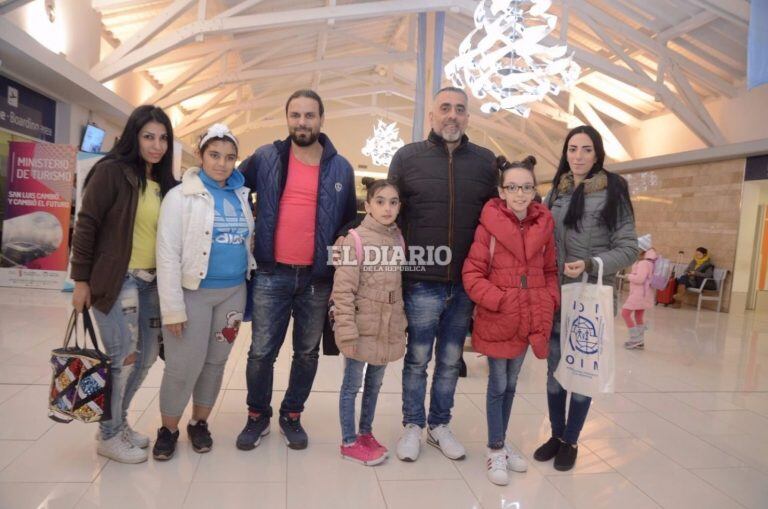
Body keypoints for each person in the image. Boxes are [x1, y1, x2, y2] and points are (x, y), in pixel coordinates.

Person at [237, 90, 357, 451]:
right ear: (287, 117)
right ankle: (257, 416)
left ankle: (292, 415)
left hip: (316, 279)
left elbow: (349, 218)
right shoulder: (266, 157)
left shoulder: (341, 167)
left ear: (321, 119)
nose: (302, 122)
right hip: (271, 273)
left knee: (306, 353)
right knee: (261, 352)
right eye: (296, 115)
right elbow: (232, 186)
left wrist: (340, 240)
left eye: (309, 115)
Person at [388, 86, 497, 462]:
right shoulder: (407, 158)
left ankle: (440, 425)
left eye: (460, 109)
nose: (453, 115)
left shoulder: (485, 162)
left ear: (468, 117)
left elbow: (493, 221)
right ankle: (413, 425)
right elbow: (392, 218)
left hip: (466, 281)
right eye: (445, 108)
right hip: (421, 278)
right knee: (417, 356)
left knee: (451, 358)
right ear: (431, 115)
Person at [70, 105, 176, 463]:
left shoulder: (164, 183)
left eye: (163, 138)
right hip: (117, 281)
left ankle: (119, 422)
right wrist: (80, 280)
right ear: (134, 136)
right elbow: (86, 225)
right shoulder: (112, 172)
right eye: (149, 136)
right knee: (122, 358)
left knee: (145, 358)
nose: (156, 145)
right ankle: (108, 434)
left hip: (151, 284)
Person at [534, 125, 638, 471]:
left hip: (591, 296)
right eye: (572, 149)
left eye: (586, 150)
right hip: (556, 295)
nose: (577, 156)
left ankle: (571, 440)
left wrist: (593, 264)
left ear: (598, 154)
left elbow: (628, 247)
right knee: (554, 372)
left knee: (582, 372)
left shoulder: (614, 190)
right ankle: (555, 433)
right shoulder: (557, 191)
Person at [153, 124, 255, 460]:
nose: (222, 164)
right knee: (184, 364)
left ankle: (199, 423)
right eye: (214, 155)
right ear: (201, 155)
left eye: (229, 157)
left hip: (232, 293)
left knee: (215, 362)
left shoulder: (241, 195)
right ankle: (167, 430)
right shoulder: (180, 196)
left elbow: (245, 241)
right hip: (192, 293)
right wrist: (172, 308)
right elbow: (166, 253)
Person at [462, 155, 559, 485]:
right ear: (501, 191)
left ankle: (501, 442)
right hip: (500, 316)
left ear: (535, 191)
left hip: (530, 316)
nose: (520, 193)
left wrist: (547, 299)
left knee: (513, 383)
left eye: (526, 187)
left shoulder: (544, 227)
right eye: (513, 187)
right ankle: (495, 448)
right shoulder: (487, 227)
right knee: (497, 384)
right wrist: (501, 300)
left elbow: (549, 272)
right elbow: (472, 273)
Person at [332, 179, 407, 466]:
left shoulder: (399, 239)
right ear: (368, 206)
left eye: (393, 202)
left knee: (375, 385)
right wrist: (347, 331)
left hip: (387, 328)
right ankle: (349, 440)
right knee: (352, 385)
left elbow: (398, 287)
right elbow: (343, 290)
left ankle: (366, 432)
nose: (387, 208)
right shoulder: (356, 239)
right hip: (362, 327)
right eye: (380, 202)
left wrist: (401, 324)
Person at [622, 234, 657, 349]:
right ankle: (640, 341)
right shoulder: (650, 262)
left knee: (625, 313)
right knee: (638, 316)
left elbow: (639, 279)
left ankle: (635, 339)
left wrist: (628, 276)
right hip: (644, 293)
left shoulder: (643, 263)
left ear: (642, 249)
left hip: (639, 294)